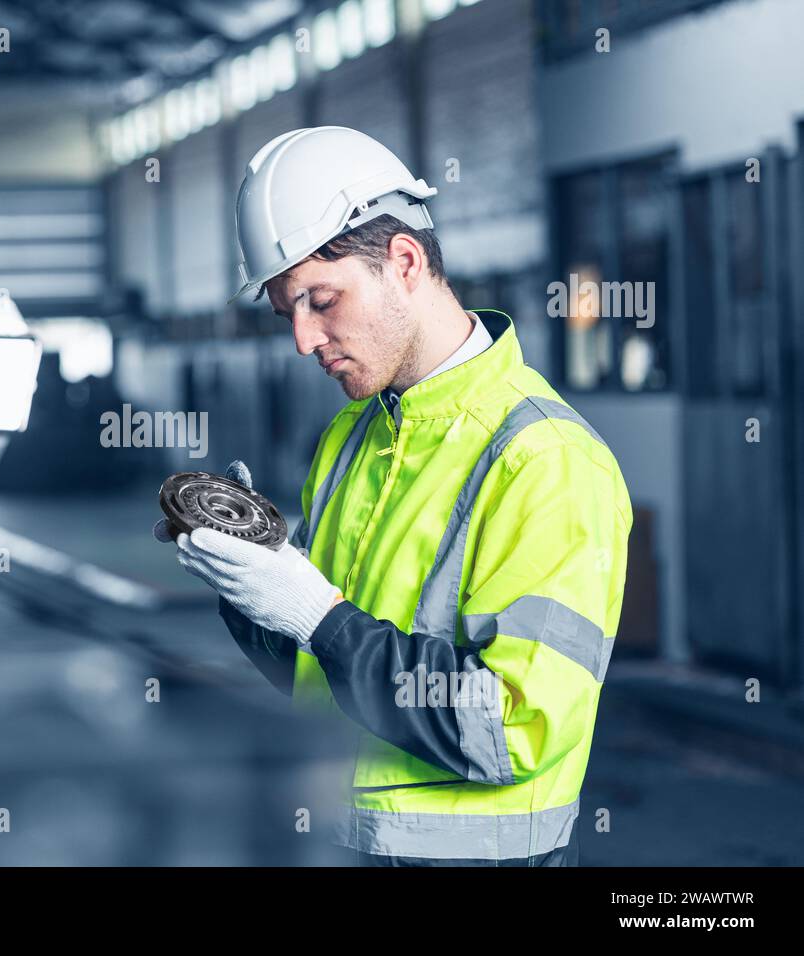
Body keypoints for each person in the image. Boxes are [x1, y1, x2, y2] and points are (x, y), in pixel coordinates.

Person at [155, 126, 633, 866]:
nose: (304, 341)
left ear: (405, 262)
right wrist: (249, 588)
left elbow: (510, 730)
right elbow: (319, 674)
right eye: (289, 313)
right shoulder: (352, 437)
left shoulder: (547, 461)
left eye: (322, 300)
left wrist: (319, 615)